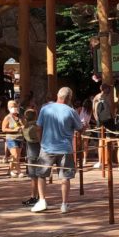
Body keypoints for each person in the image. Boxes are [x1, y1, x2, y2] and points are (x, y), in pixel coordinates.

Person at [34, 86, 84, 214]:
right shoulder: (71, 111)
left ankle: (42, 200)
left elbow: (38, 127)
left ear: (58, 95)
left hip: (47, 147)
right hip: (65, 149)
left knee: (41, 175)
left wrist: (41, 142)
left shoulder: (45, 109)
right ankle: (64, 204)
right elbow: (80, 128)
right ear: (69, 98)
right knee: (65, 177)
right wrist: (85, 126)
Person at [20, 108, 43, 207]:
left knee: (33, 177)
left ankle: (34, 196)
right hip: (39, 153)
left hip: (31, 154)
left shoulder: (25, 127)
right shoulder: (38, 127)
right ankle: (39, 196)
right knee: (40, 176)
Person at [1, 100, 24, 178]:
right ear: (8, 108)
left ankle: (10, 170)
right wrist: (14, 130)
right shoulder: (7, 117)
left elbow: (24, 125)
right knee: (15, 155)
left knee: (16, 156)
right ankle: (19, 171)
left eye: (15, 106)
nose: (14, 108)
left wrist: (22, 126)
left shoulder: (19, 117)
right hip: (11, 138)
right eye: (12, 106)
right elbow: (3, 129)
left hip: (20, 138)